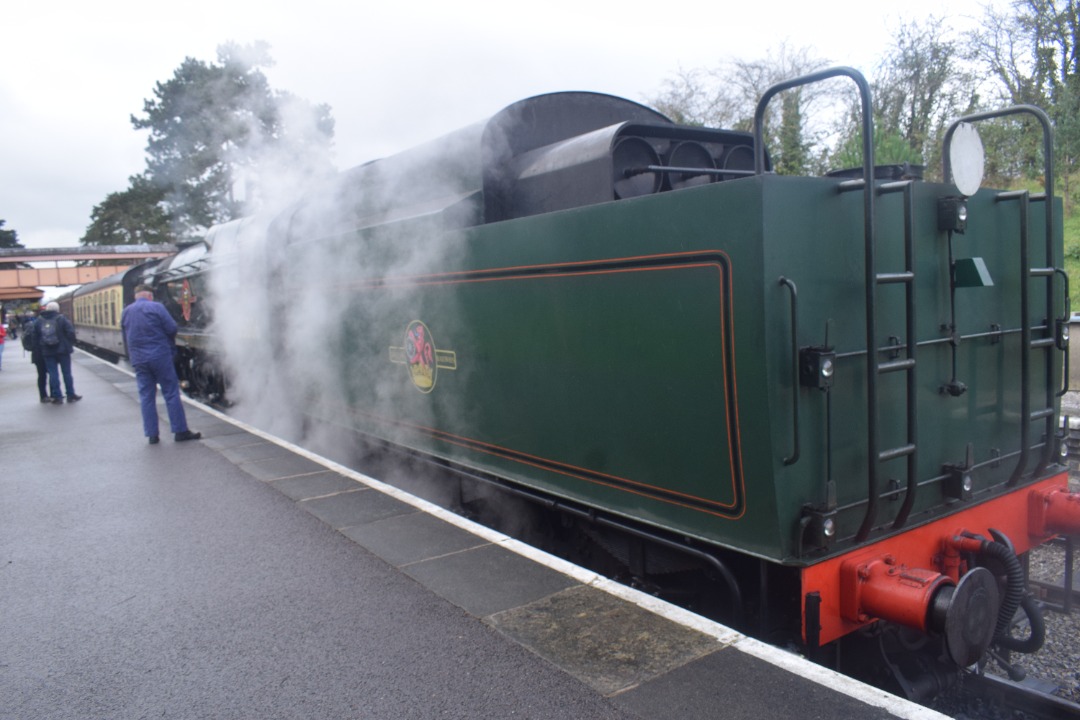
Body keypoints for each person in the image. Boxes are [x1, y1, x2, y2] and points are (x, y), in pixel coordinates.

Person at [121, 285, 200, 444]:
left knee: (146, 397)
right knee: (171, 393)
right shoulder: (157, 307)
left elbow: (125, 334)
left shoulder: (126, 312)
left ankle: (152, 435)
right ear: (150, 295)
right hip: (159, 356)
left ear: (136, 296)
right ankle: (180, 431)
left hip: (139, 359)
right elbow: (171, 328)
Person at [38, 301, 81, 404]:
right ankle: (70, 395)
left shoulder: (40, 320)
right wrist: (68, 343)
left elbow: (35, 336)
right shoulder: (62, 319)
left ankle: (57, 397)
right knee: (67, 373)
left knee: (53, 374)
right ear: (57, 309)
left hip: (47, 351)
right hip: (63, 351)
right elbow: (71, 333)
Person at [24, 310, 49, 402]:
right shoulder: (45, 324)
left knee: (41, 376)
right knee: (52, 374)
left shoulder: (33, 324)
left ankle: (43, 396)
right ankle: (54, 394)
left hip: (36, 355)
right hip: (47, 353)